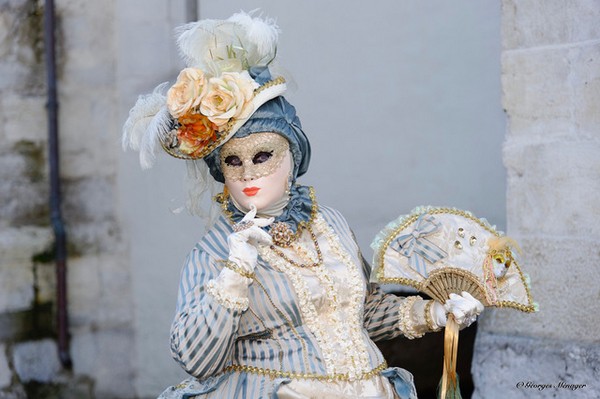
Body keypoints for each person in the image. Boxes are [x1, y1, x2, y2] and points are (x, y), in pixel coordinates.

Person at [123, 12, 484, 399]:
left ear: (293, 155)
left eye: (263, 156)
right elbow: (196, 360)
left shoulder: (330, 223)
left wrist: (435, 314)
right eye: (232, 161)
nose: (247, 174)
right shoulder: (213, 252)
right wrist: (235, 272)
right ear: (219, 169)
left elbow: (361, 314)